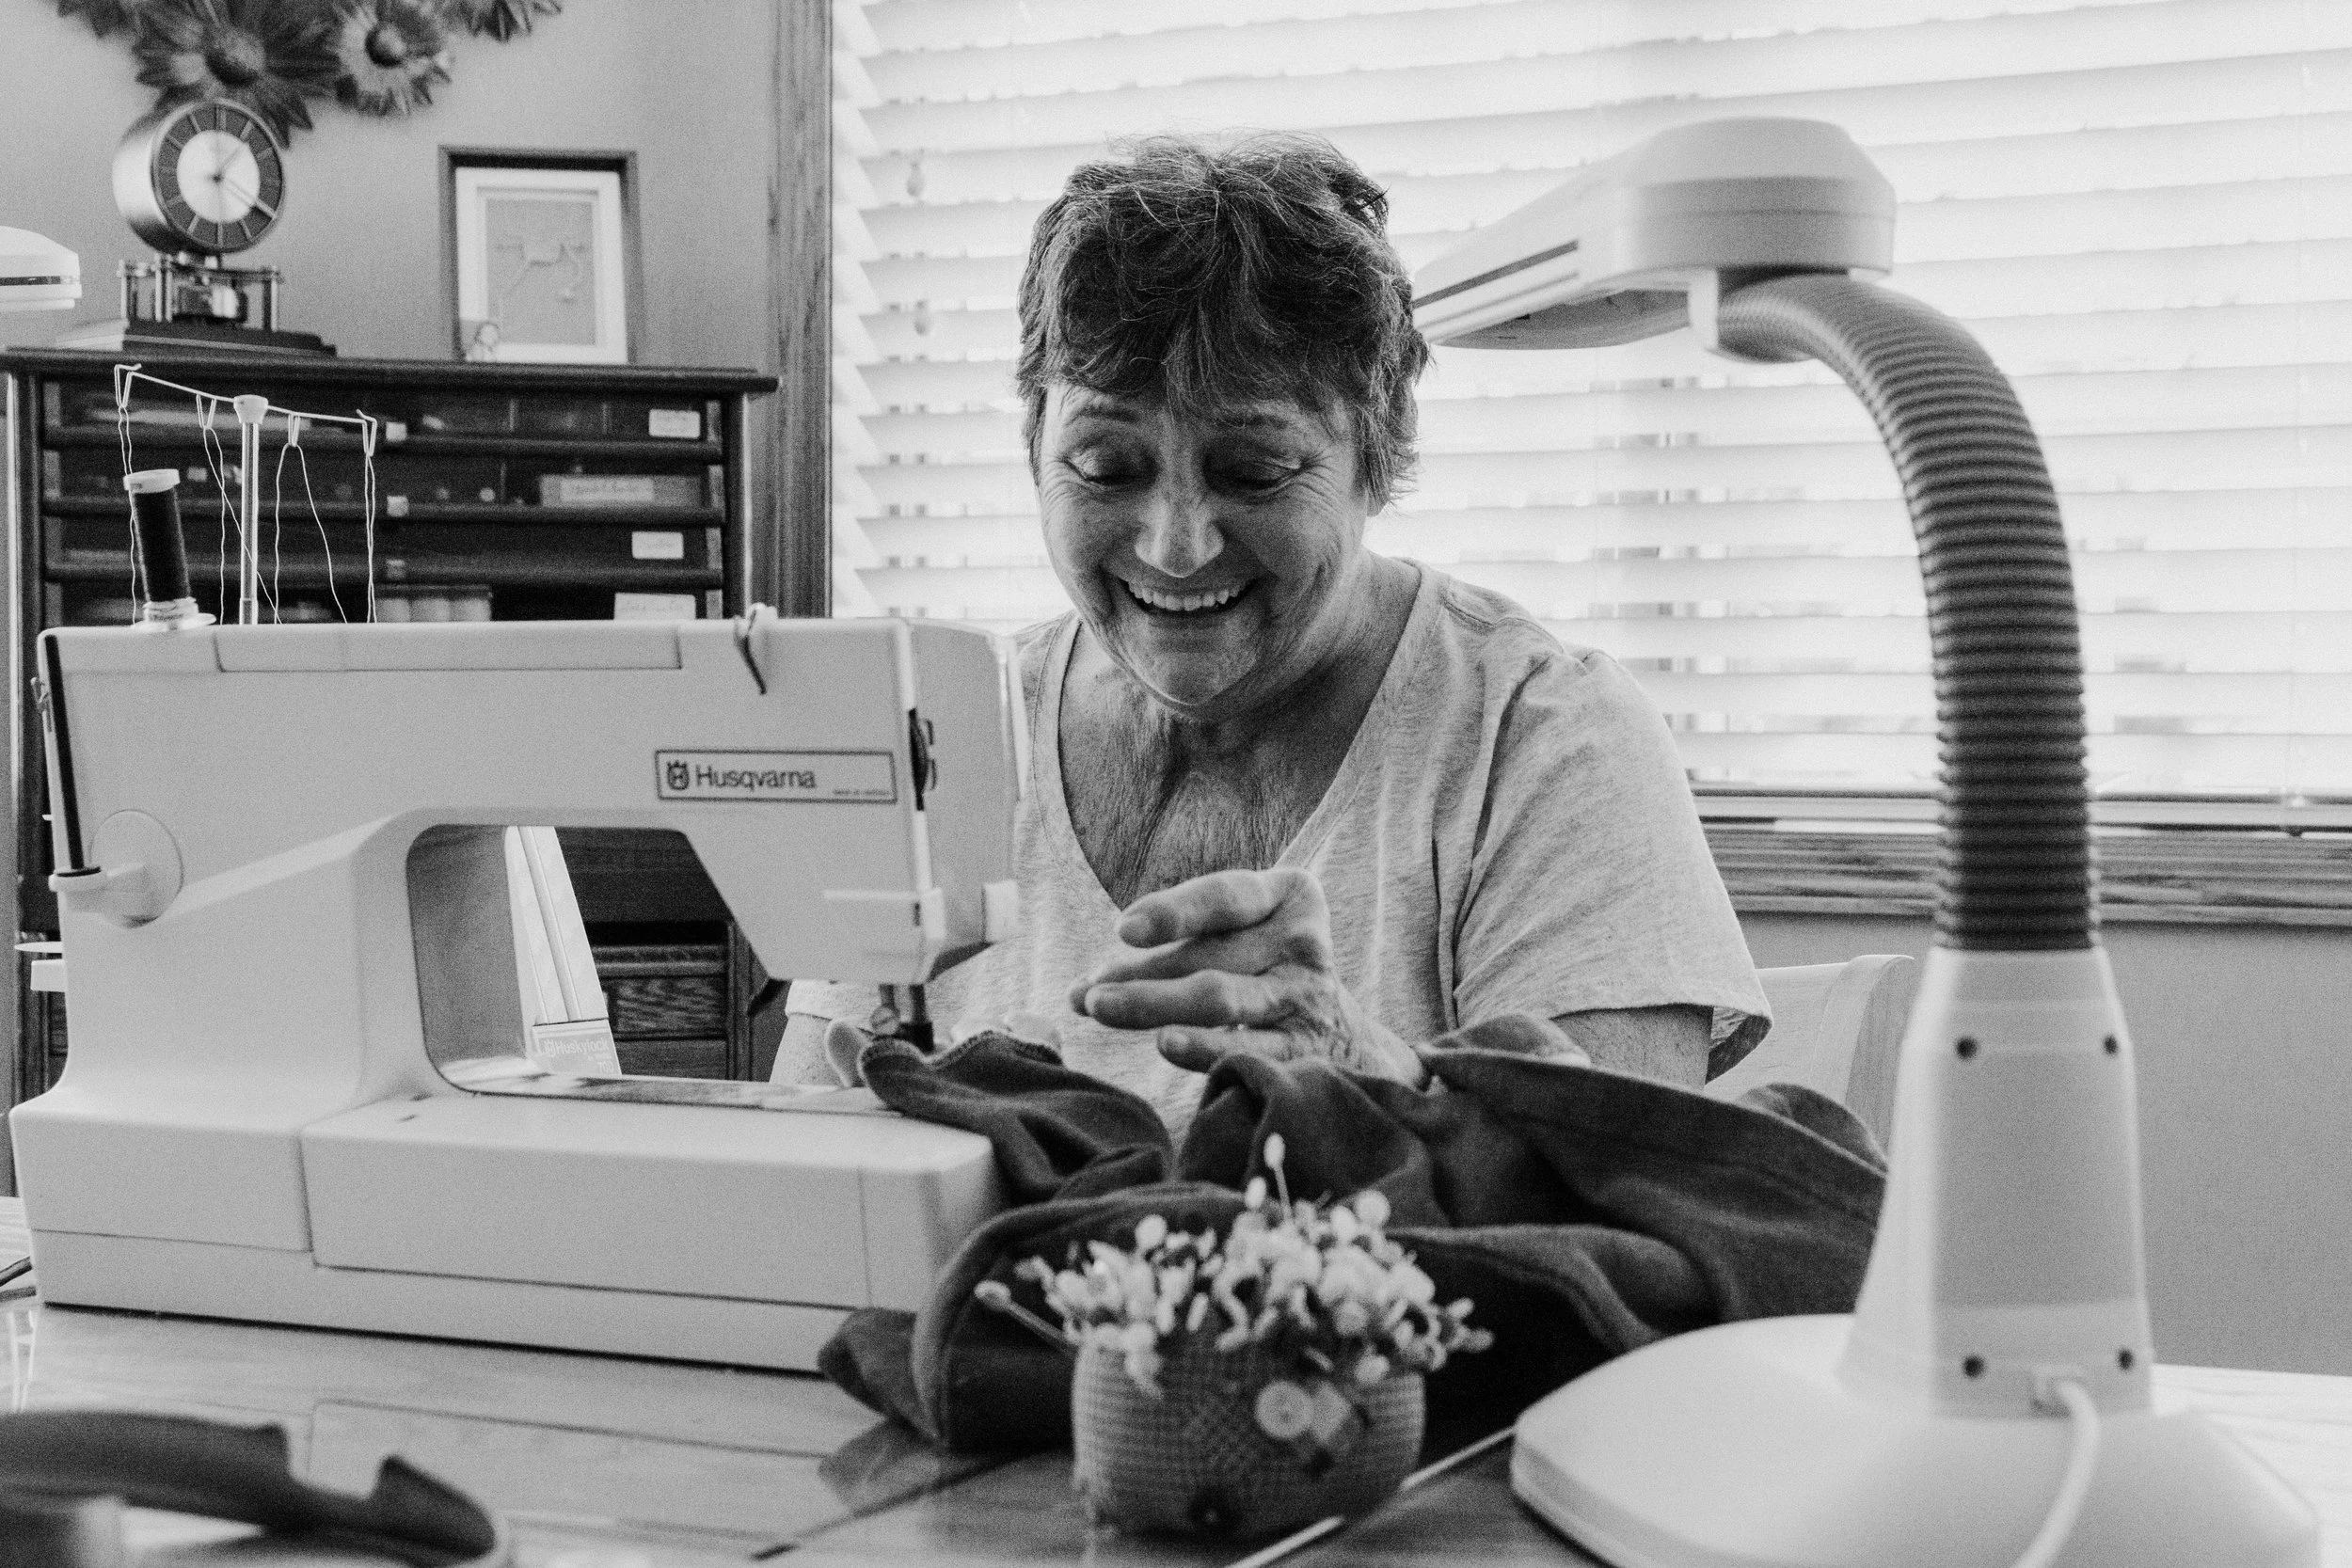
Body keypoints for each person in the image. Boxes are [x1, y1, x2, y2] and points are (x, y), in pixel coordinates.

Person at [777, 133, 1767, 1131]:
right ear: (1034, 443)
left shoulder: (1541, 738)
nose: (1174, 546)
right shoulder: (944, 734)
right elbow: (797, 1165)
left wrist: (1365, 1073)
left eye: (1253, 472)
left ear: (1378, 455)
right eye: (1107, 467)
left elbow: (1623, 1185)